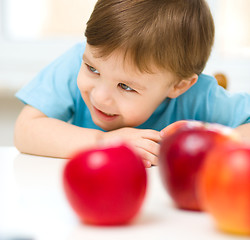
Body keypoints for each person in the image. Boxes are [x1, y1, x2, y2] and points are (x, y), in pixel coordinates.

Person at [14, 0, 250, 167]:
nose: (100, 96)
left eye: (126, 86)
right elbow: (25, 130)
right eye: (92, 69)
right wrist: (104, 142)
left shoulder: (199, 97)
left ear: (178, 86)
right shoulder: (74, 62)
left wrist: (214, 145)